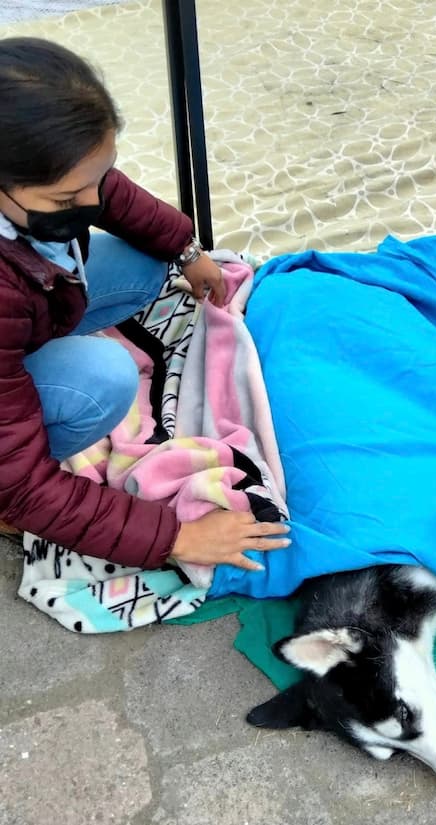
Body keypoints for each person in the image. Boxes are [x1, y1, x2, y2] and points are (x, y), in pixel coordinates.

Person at [0, 37, 290, 574]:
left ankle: (34, 348)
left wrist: (186, 249)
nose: (90, 205)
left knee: (145, 263)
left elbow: (112, 194)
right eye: (66, 201)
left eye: (95, 178)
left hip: (25, 304)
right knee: (105, 377)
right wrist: (173, 537)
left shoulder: (38, 176)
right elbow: (16, 473)